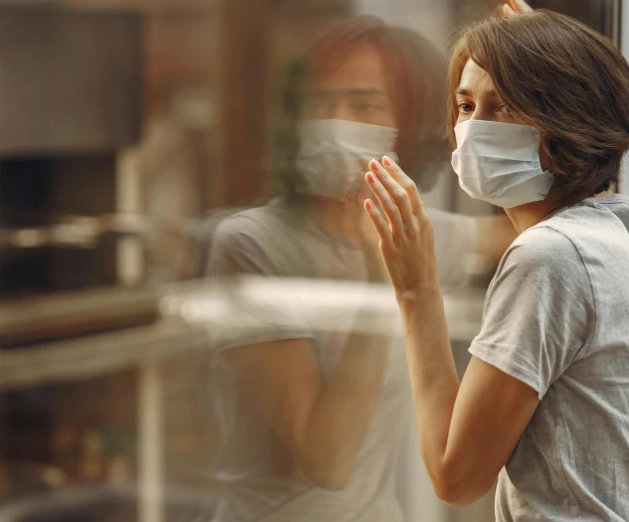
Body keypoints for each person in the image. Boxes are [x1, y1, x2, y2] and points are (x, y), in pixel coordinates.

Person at [206, 14, 514, 522]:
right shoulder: (250, 243)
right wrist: (381, 272)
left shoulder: (419, 231)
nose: (334, 121)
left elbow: (557, 229)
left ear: (408, 122)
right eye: (320, 103)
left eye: (362, 104)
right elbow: (327, 461)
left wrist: (538, 79)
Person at [363, 9, 629, 521]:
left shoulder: (549, 256)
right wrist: (544, 50)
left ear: (569, 120)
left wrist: (415, 290)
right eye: (466, 105)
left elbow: (457, 476)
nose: (474, 130)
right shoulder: (621, 238)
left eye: (506, 107)